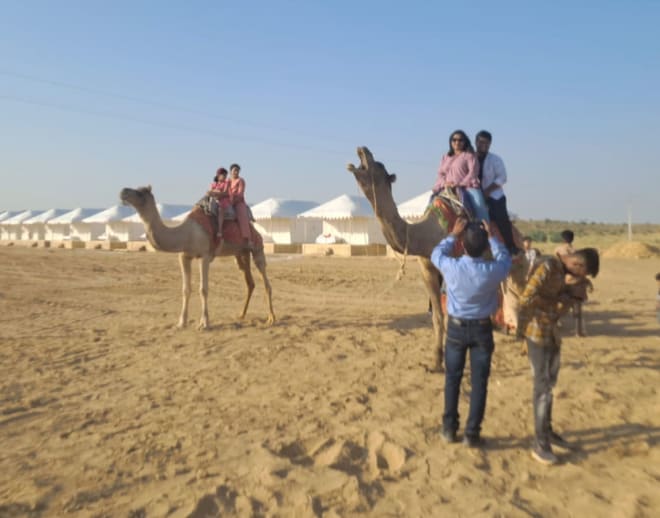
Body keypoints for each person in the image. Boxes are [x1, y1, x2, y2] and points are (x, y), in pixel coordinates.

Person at [431, 218, 512, 447]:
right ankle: (472, 434)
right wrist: (493, 237)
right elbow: (505, 258)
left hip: (456, 330)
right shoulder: (494, 270)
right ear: (486, 247)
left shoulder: (450, 266)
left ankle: (449, 429)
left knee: (452, 379)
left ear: (462, 246)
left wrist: (452, 235)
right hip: (482, 330)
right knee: (479, 383)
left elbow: (436, 254)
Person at [517, 247, 600, 465]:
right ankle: (540, 444)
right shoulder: (547, 267)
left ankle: (548, 432)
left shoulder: (562, 274)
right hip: (536, 334)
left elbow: (559, 305)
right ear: (578, 265)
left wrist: (572, 296)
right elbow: (526, 298)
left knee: (549, 386)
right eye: (584, 274)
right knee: (542, 389)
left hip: (552, 334)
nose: (581, 278)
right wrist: (564, 297)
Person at [475, 130, 519, 254]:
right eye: (481, 142)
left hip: (494, 196)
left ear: (490, 144)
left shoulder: (496, 159)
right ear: (476, 142)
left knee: (502, 219)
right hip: (475, 195)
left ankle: (511, 247)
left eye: (487, 143)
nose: (484, 145)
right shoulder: (470, 158)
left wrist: (488, 191)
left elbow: (502, 177)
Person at [432, 130, 489, 222]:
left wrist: (459, 184)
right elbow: (440, 173)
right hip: (446, 188)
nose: (457, 142)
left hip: (467, 187)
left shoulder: (470, 156)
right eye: (454, 140)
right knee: (431, 202)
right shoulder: (446, 157)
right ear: (451, 142)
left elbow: (473, 173)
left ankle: (486, 230)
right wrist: (444, 183)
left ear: (465, 141)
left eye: (460, 140)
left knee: (479, 203)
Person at [228, 163, 253, 250]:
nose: (236, 172)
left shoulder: (240, 180)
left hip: (238, 202)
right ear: (230, 171)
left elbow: (240, 193)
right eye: (234, 170)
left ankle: (248, 240)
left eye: (237, 170)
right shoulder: (228, 181)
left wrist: (233, 200)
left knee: (242, 217)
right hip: (227, 201)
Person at [209, 167, 230, 239]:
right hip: (215, 199)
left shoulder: (226, 183)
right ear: (218, 175)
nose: (225, 177)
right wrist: (213, 193)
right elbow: (209, 192)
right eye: (223, 175)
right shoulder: (214, 184)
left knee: (221, 210)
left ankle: (220, 230)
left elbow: (225, 192)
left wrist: (216, 193)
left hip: (224, 200)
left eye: (225, 175)